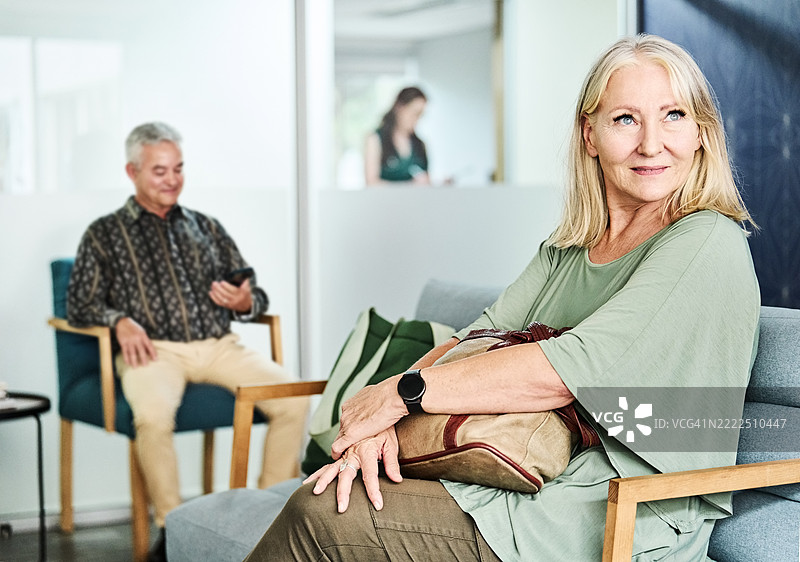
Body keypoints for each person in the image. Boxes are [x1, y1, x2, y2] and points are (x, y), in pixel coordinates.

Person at [246, 34, 761, 561]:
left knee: (321, 518)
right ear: (590, 135)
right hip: (518, 481)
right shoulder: (568, 249)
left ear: (700, 132)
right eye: (626, 119)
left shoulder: (705, 241)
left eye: (673, 115)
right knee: (327, 497)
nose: (652, 144)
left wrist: (400, 393)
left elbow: (569, 370)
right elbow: (477, 334)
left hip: (614, 513)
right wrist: (384, 419)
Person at [66, 122, 309, 562]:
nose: (173, 179)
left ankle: (268, 518)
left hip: (218, 346)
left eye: (179, 168)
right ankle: (174, 531)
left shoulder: (205, 226)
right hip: (153, 353)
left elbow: (253, 292)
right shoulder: (103, 233)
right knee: (153, 417)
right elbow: (79, 303)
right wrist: (118, 321)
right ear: (132, 171)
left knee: (292, 399)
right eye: (160, 171)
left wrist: (244, 299)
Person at [364, 86, 431, 186]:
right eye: (414, 113)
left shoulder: (420, 145)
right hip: (384, 201)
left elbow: (426, 180)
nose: (417, 119)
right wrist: (409, 186)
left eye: (420, 115)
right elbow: (372, 183)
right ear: (399, 108)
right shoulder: (375, 139)